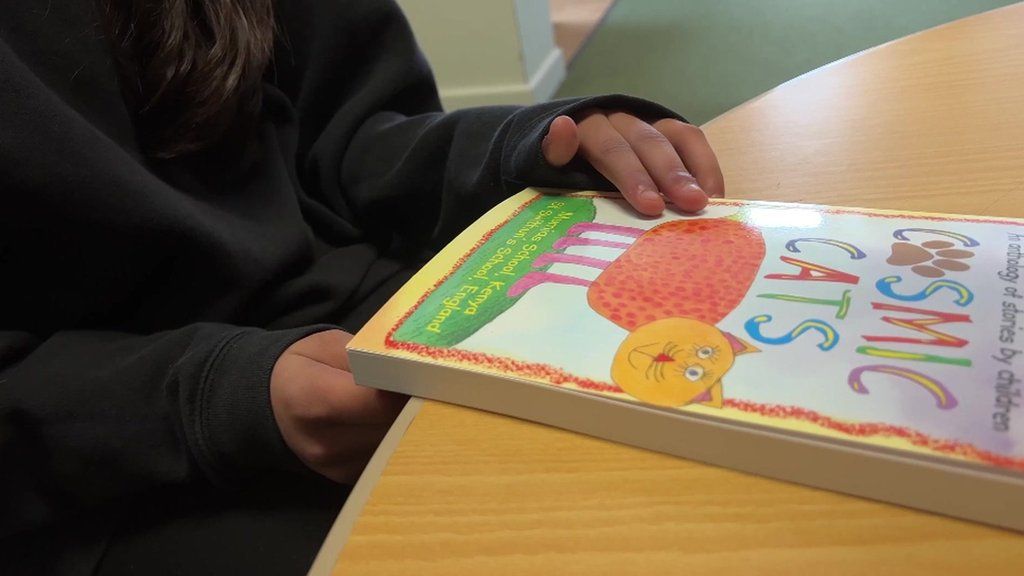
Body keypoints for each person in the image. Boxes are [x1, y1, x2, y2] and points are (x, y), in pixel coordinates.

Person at [0, 0, 724, 573]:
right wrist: (220, 397)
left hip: (387, 320)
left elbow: (356, 134)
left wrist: (520, 150)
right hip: (107, 478)